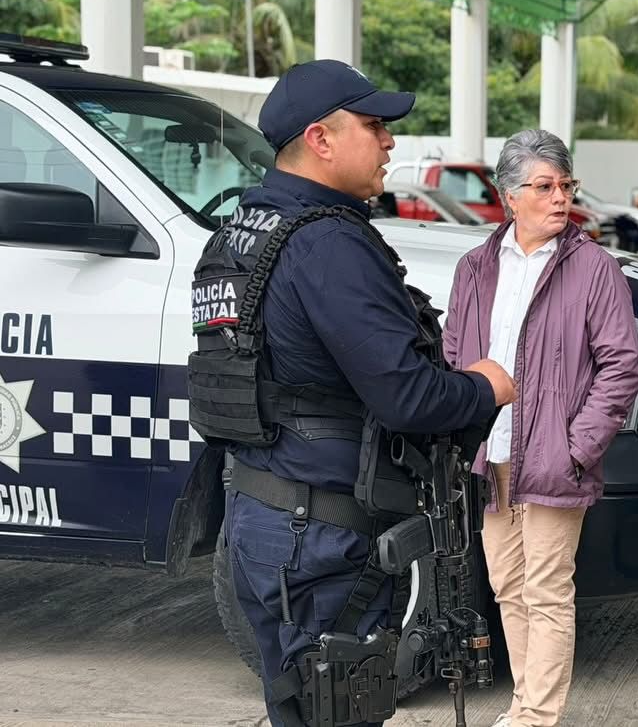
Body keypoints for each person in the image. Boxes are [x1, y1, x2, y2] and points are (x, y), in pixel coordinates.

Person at [190, 59, 515, 727]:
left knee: (299, 709)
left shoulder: (239, 232)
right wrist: (486, 386)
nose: (390, 140)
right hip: (322, 537)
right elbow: (408, 399)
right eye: (373, 125)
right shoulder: (329, 244)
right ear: (321, 138)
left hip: (258, 519)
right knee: (337, 712)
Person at [442, 129, 638, 727]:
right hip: (491, 457)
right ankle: (525, 705)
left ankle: (537, 716)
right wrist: (462, 438)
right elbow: (454, 354)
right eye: (544, 186)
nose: (560, 198)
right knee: (508, 587)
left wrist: (577, 449)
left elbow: (621, 367)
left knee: (548, 591)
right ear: (510, 196)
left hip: (555, 459)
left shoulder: (594, 268)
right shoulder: (475, 267)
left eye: (566, 185)